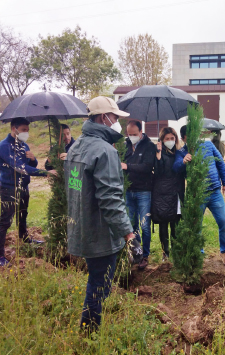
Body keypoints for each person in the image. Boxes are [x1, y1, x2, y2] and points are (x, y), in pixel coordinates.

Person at [65, 96, 136, 332]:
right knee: (99, 284)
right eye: (115, 118)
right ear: (103, 118)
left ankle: (90, 328)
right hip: (100, 232)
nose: (117, 123)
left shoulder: (76, 146)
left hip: (81, 227)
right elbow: (110, 199)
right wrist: (127, 233)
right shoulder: (104, 151)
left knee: (96, 279)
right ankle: (89, 333)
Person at [0, 118, 57, 267]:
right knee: (5, 221)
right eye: (24, 130)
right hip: (9, 188)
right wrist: (46, 173)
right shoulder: (4, 146)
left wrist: (33, 159)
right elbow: (20, 168)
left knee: (22, 214)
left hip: (24, 186)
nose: (26, 133)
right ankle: (0, 255)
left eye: (28, 130)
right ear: (14, 129)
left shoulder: (23, 145)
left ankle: (24, 237)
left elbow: (30, 164)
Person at [173, 125, 225, 266]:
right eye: (190, 135)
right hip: (196, 195)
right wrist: (183, 161)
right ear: (183, 139)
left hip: (214, 192)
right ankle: (199, 253)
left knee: (224, 222)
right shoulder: (182, 152)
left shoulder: (208, 145)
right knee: (196, 226)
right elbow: (175, 167)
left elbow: (220, 163)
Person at [121, 120, 156, 270]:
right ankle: (138, 253)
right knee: (132, 224)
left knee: (145, 225)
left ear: (141, 132)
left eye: (134, 134)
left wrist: (128, 166)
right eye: (129, 134)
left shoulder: (149, 146)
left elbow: (147, 167)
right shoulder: (125, 145)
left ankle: (146, 255)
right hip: (129, 191)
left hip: (144, 191)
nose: (132, 137)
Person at [151, 127, 184, 260]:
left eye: (172, 138)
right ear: (162, 140)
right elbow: (157, 173)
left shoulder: (179, 153)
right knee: (164, 223)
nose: (170, 141)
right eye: (167, 139)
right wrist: (158, 157)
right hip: (162, 193)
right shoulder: (158, 152)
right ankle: (165, 252)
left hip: (176, 192)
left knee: (175, 223)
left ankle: (175, 251)